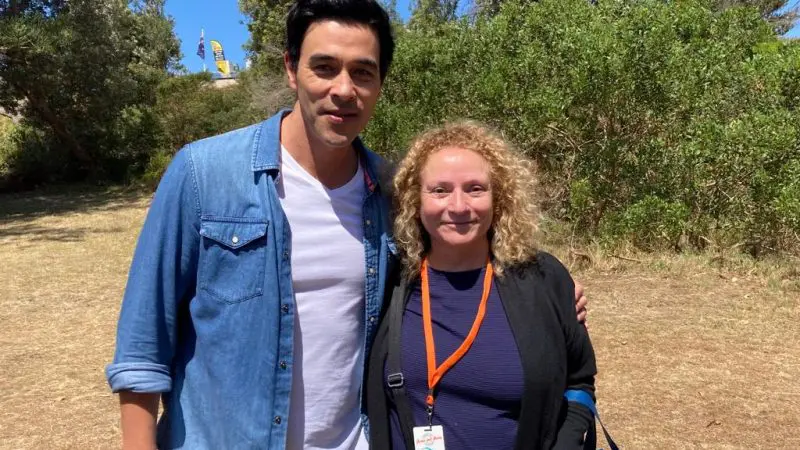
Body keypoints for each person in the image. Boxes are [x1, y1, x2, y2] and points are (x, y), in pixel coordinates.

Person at [105, 0, 587, 448]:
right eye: (324, 67)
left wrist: (552, 295)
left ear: (379, 85)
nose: (343, 89)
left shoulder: (389, 191)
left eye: (363, 72)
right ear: (291, 69)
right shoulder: (203, 174)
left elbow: (459, 245)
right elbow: (142, 352)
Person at [366, 122, 597, 449]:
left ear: (499, 197)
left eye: (475, 188)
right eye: (440, 190)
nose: (458, 206)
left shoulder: (542, 279)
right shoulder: (389, 281)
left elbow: (579, 381)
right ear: (414, 198)